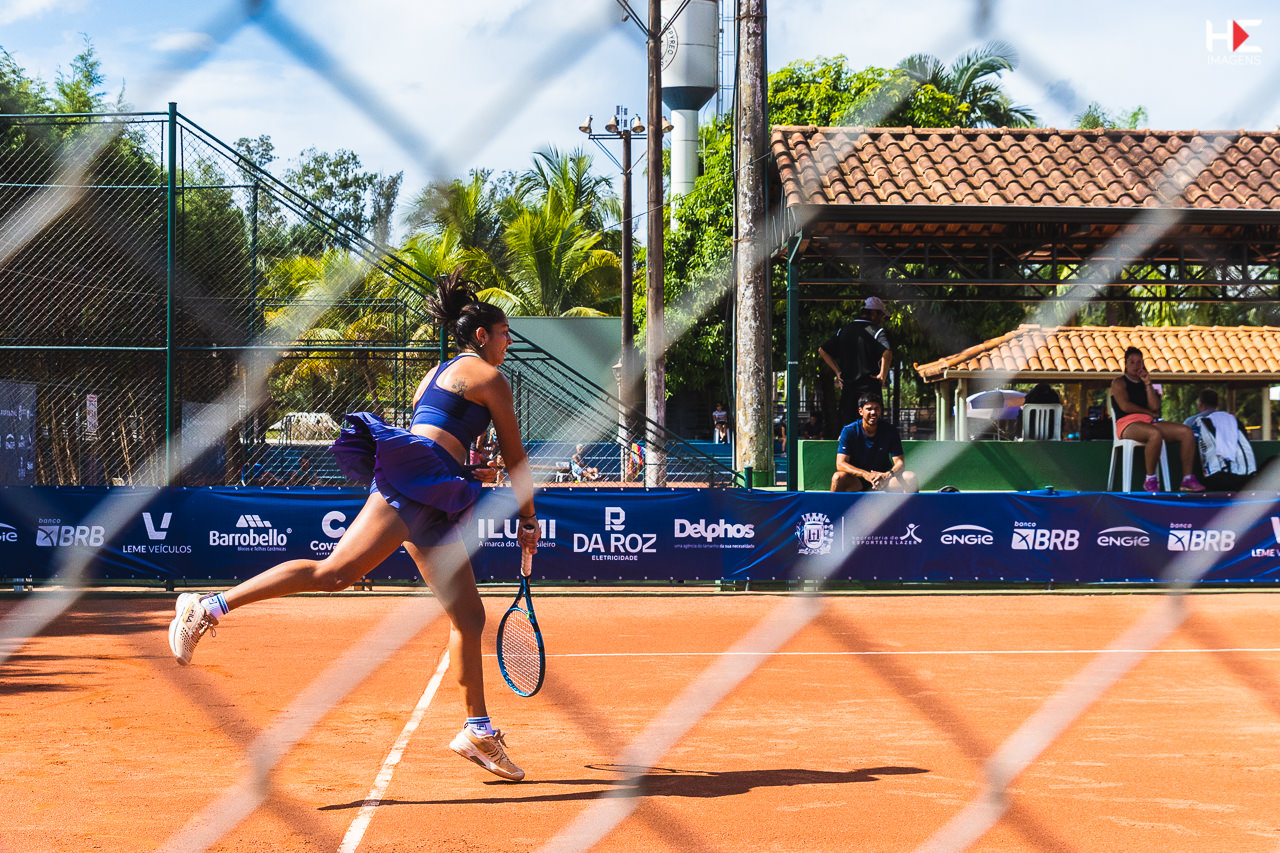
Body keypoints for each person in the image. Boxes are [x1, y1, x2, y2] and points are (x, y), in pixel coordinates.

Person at [167, 271, 539, 782]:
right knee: (335, 573)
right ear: (481, 335)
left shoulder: (435, 375)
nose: (508, 343)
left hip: (436, 489)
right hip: (421, 484)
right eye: (504, 334)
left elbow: (441, 429)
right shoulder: (490, 378)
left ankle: (477, 730)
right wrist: (527, 517)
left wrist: (464, 474)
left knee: (469, 616)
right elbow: (516, 456)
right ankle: (207, 606)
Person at [1109, 346, 1204, 492]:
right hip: (1127, 424)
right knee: (1154, 434)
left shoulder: (1144, 383)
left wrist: (1148, 384)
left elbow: (1155, 407)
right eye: (1132, 362)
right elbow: (1125, 406)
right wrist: (1147, 412)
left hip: (1149, 422)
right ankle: (1150, 480)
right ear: (1126, 364)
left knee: (1186, 432)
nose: (1136, 365)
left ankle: (1187, 479)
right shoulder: (1119, 382)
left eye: (1139, 362)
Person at [819, 296, 892, 430]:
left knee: (848, 428)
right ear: (873, 313)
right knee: (871, 427)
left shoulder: (845, 329)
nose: (882, 319)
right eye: (882, 315)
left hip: (848, 388)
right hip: (870, 387)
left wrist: (838, 372)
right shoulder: (875, 330)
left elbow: (822, 350)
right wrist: (883, 374)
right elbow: (887, 352)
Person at [830, 394, 918, 493]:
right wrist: (866, 475)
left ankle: (913, 505)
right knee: (838, 478)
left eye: (876, 409)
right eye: (869, 409)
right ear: (860, 411)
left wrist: (887, 475)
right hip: (858, 480)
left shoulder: (890, 430)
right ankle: (830, 504)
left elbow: (900, 462)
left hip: (884, 480)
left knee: (910, 478)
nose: (873, 412)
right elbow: (841, 464)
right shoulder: (849, 430)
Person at [1184, 388, 1256, 491]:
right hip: (1243, 476)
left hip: (1212, 476)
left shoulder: (1192, 421)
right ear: (1217, 403)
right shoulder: (1233, 420)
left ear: (1200, 403)